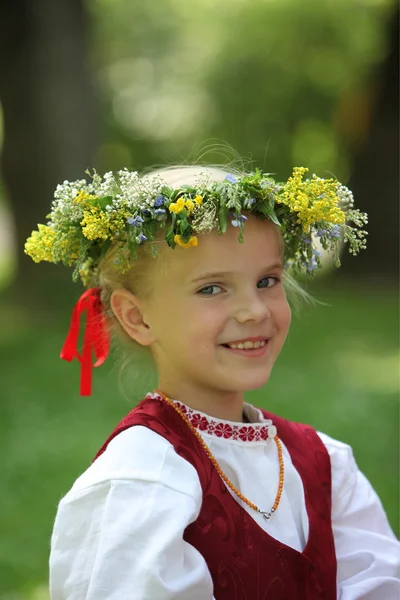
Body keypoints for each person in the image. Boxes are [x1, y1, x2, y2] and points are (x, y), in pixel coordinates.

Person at [26, 164, 398, 599]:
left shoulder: (324, 466)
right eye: (211, 289)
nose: (254, 311)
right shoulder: (142, 481)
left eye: (267, 281)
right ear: (137, 316)